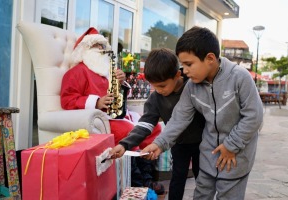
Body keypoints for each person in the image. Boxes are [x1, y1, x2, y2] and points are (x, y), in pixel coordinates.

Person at [142, 26, 264, 199]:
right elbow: (179, 118)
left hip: (235, 157)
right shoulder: (191, 87)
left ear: (210, 58)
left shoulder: (239, 77)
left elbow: (254, 116)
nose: (184, 70)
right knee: (200, 195)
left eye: (188, 64)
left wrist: (231, 146)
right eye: (182, 64)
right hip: (208, 156)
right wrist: (159, 144)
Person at [60, 27, 163, 193]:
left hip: (119, 115)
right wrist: (96, 102)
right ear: (85, 50)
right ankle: (138, 184)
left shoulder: (106, 72)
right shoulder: (76, 72)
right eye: (97, 46)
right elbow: (67, 100)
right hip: (100, 120)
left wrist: (121, 83)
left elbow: (120, 98)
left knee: (154, 128)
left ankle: (148, 178)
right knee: (130, 131)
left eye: (103, 46)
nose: (102, 50)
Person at [110, 48, 205, 200]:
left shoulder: (193, 85)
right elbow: (145, 124)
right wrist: (124, 144)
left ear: (177, 75)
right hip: (178, 143)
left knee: (203, 179)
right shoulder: (155, 99)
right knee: (177, 178)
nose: (158, 91)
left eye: (162, 86)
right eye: (154, 86)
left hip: (203, 142)